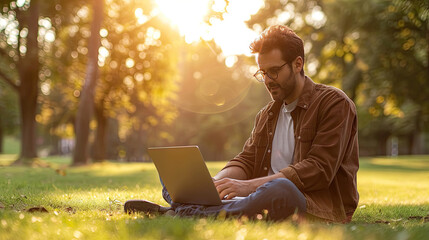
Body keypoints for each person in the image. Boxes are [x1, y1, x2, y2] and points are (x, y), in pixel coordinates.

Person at [124, 25, 359, 223]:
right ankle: (202, 206)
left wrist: (248, 187)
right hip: (257, 199)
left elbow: (318, 170)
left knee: (281, 190)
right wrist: (216, 184)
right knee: (174, 175)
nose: (267, 80)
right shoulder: (268, 113)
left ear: (298, 64)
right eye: (263, 73)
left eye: (274, 71)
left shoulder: (334, 103)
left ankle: (182, 210)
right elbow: (246, 161)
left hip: (311, 205)